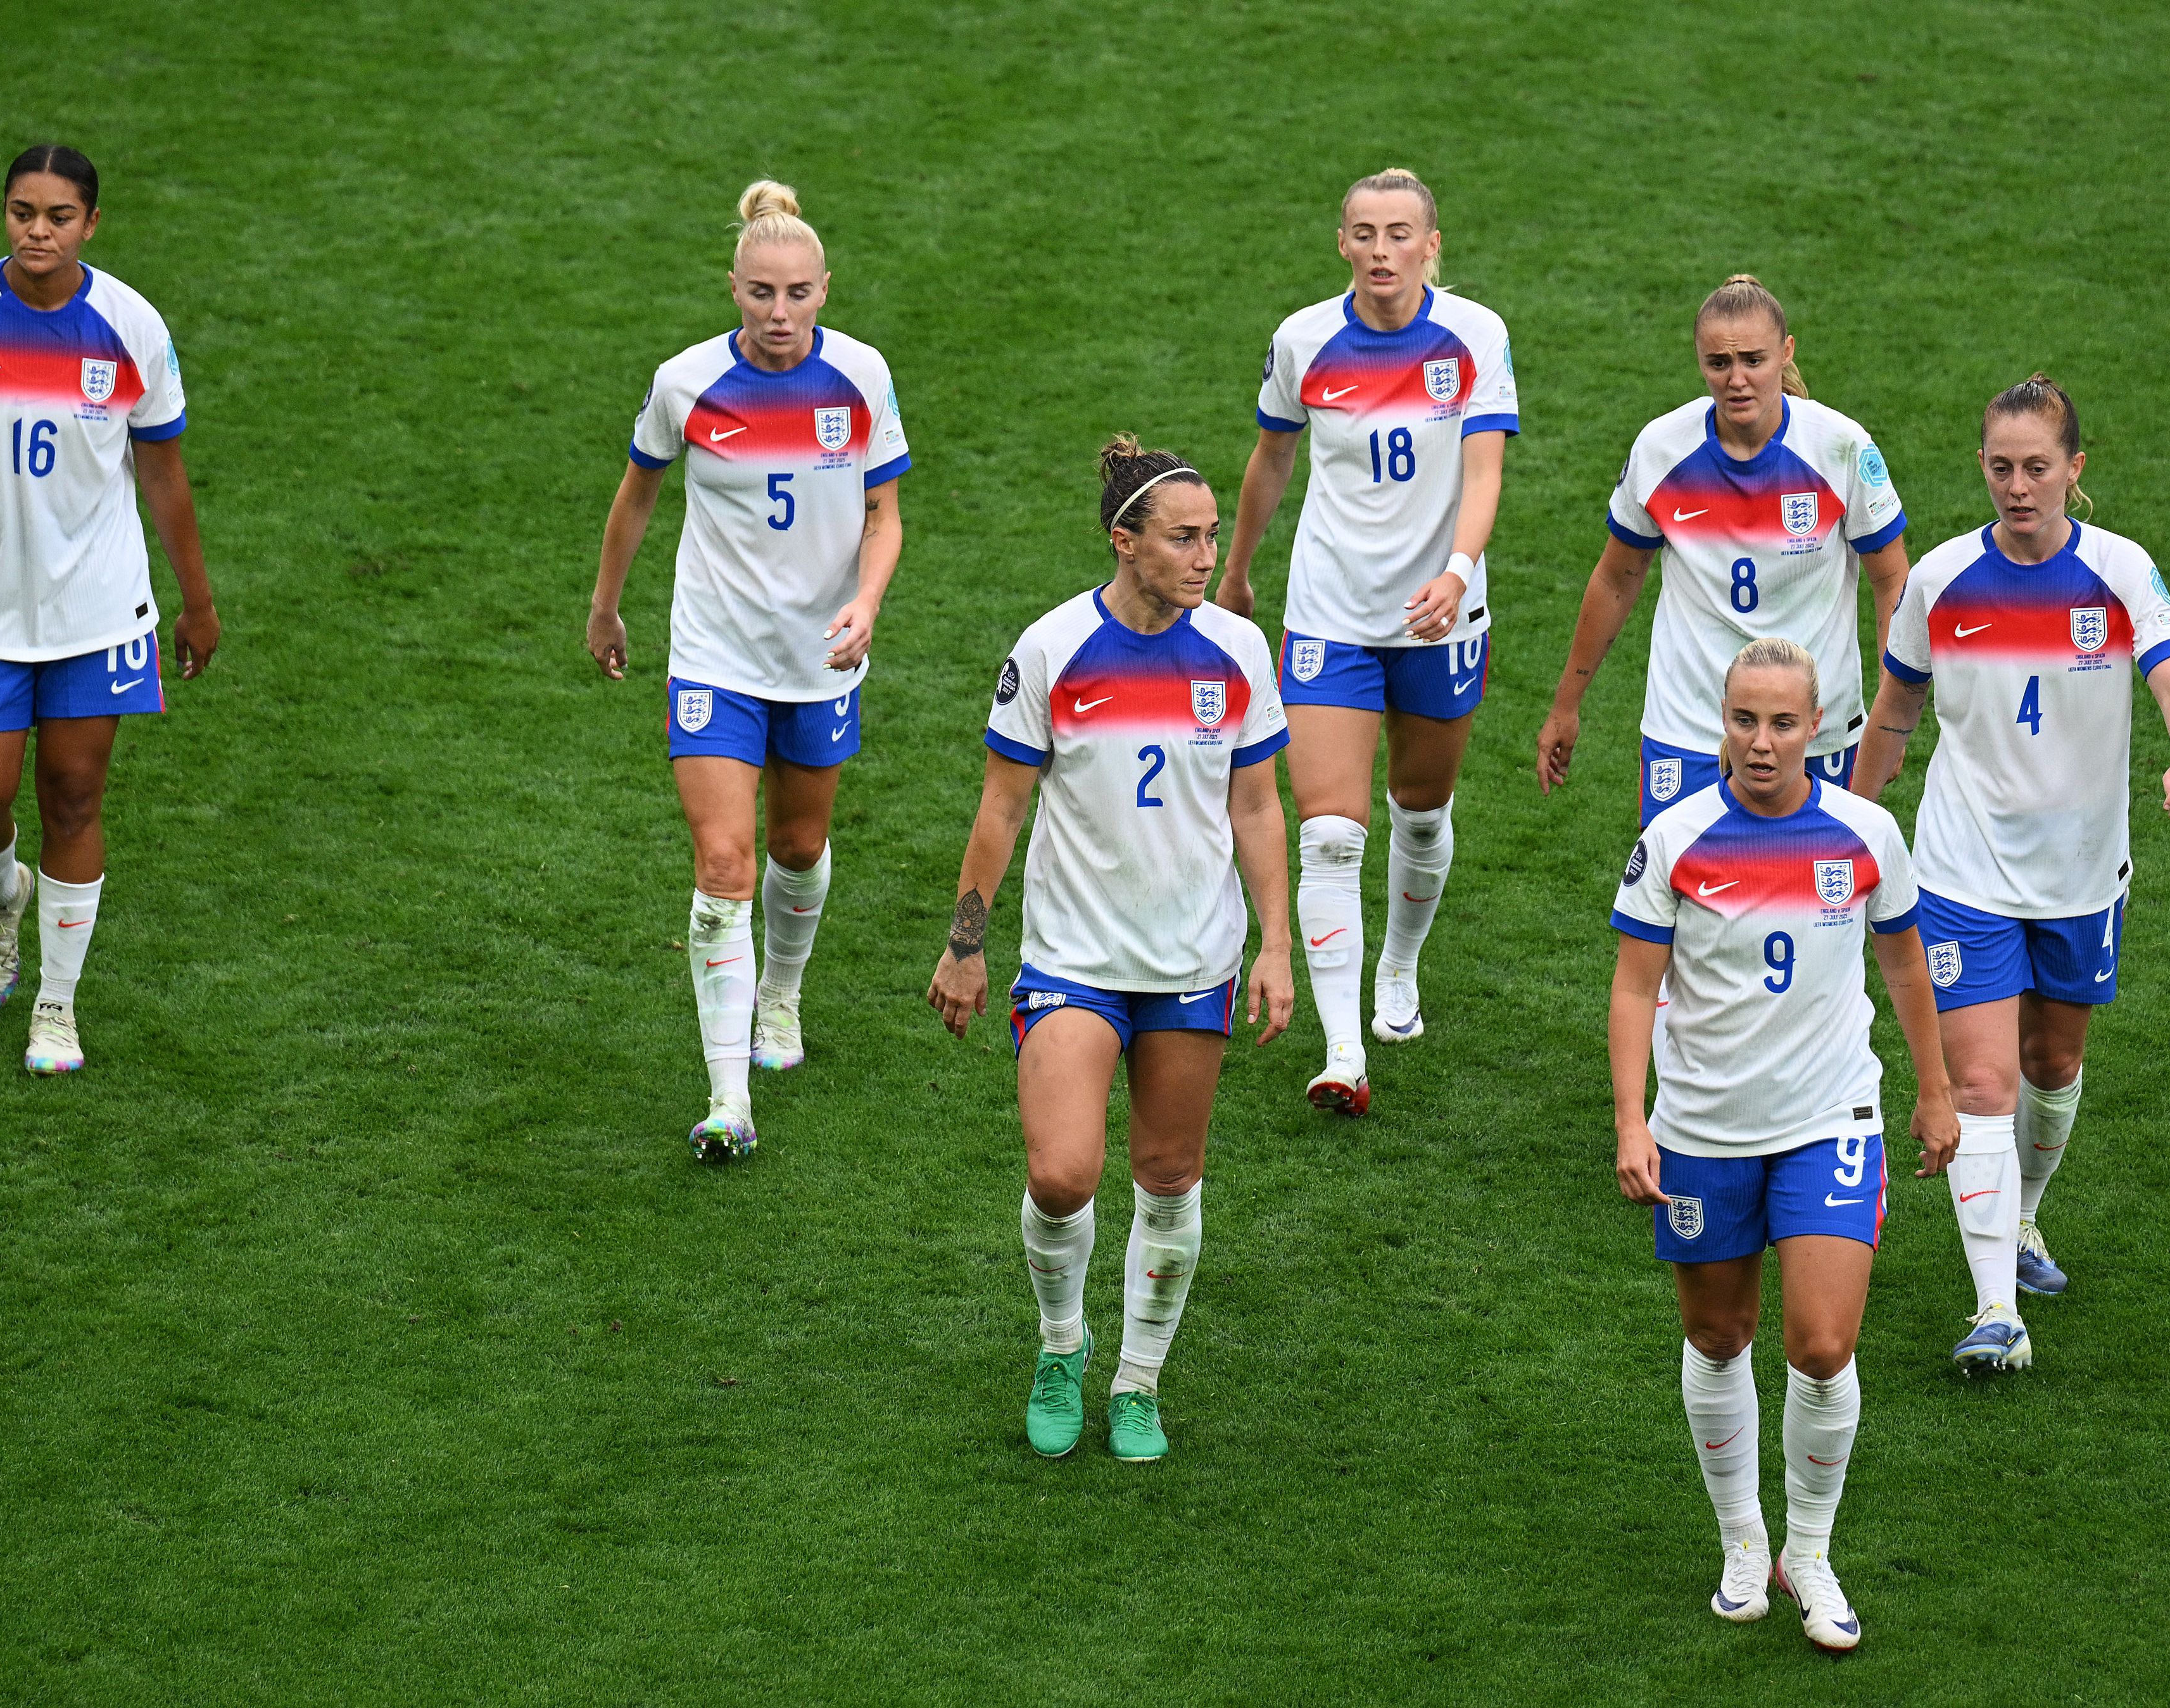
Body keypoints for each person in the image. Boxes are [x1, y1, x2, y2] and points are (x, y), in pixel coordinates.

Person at [929, 437, 1295, 1464]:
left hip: (1191, 960)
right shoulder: (1050, 651)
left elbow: (1260, 805)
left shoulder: (1235, 651)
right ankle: (1060, 1345)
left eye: (1212, 536)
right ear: (1122, 541)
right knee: (1059, 1174)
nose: (1203, 555)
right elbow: (1001, 809)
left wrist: (1275, 943)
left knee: (1169, 1175)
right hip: (1073, 960)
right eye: (1183, 538)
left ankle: (1136, 1381)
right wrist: (967, 940)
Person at [1848, 375, 2170, 1371]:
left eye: (2037, 468)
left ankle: (2023, 1217)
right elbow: (1894, 714)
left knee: (2053, 1067)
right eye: (2001, 468)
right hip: (1963, 871)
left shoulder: (2122, 573)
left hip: (2084, 877)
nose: (2018, 486)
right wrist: (1852, 821)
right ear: (1982, 468)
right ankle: (1996, 1313)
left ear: (2073, 471)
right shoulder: (1940, 582)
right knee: (1982, 1081)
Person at [1609, 637, 1958, 1653]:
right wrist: (1634, 1119)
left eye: (1782, 722)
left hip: (1829, 1120)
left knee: (1821, 1343)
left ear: (1818, 728)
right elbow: (1635, 986)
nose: (1761, 742)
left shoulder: (1864, 834)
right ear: (1720, 721)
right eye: (1743, 720)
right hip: (1706, 1131)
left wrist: (1935, 1092)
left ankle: (1808, 1549)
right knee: (1720, 1336)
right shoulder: (1674, 838)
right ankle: (1739, 1539)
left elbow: (1903, 968)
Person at [586, 180, 910, 1161]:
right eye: (762, 293)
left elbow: (884, 516)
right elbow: (637, 496)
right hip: (714, 655)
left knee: (798, 849)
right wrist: (606, 603)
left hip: (819, 659)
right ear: (733, 285)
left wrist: (867, 601)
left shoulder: (861, 377)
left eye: (799, 294)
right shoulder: (686, 382)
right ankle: (730, 1099)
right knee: (723, 865)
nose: (780, 314)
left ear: (824, 290)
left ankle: (781, 993)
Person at [0, 144, 218, 1076]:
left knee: (75, 794)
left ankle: (58, 1007)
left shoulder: (130, 326)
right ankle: (2, 901)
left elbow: (163, 472)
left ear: (91, 225)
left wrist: (196, 603)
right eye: (22, 212)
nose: (38, 230)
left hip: (99, 611)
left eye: (58, 215)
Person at [1213, 166, 1517, 1117]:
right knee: (1333, 835)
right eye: (1363, 233)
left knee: (1420, 809)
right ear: (1340, 242)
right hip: (1331, 610)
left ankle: (1399, 963)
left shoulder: (1475, 336)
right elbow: (1272, 457)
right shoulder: (1303, 341)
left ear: (1433, 245)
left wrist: (1458, 572)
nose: (1380, 250)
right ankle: (1344, 1049)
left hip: (1438, 613)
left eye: (1399, 234)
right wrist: (1237, 568)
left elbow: (1484, 469)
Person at [1536, 275, 1908, 829]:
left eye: (1754, 360)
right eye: (1718, 364)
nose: (1736, 380)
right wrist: (1567, 704)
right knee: (1682, 907)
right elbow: (1616, 579)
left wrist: (1889, 717)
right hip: (1689, 727)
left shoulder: (1840, 447)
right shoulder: (1662, 449)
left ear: (1785, 353)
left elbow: (1890, 578)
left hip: (1813, 730)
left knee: (1818, 909)